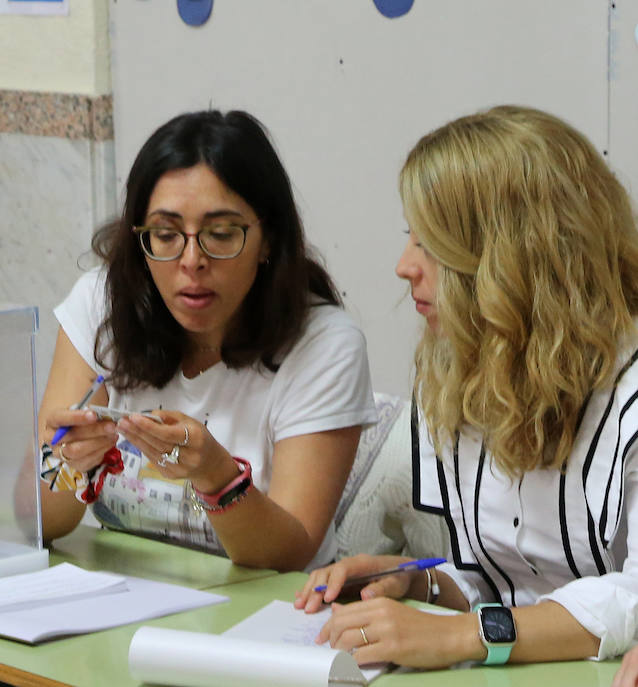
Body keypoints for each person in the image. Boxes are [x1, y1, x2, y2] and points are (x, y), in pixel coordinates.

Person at [298, 106, 638, 670]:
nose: (404, 266)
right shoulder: (465, 368)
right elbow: (504, 584)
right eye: (412, 237)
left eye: (431, 245)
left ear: (517, 258)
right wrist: (418, 587)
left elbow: (632, 598)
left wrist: (461, 638)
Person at [37, 110, 376, 571]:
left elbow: (291, 555)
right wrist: (71, 462)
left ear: (268, 240)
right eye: (165, 234)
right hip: (120, 604)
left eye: (220, 234)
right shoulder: (102, 307)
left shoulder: (325, 345)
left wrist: (216, 475)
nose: (192, 260)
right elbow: (43, 522)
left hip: (264, 619)